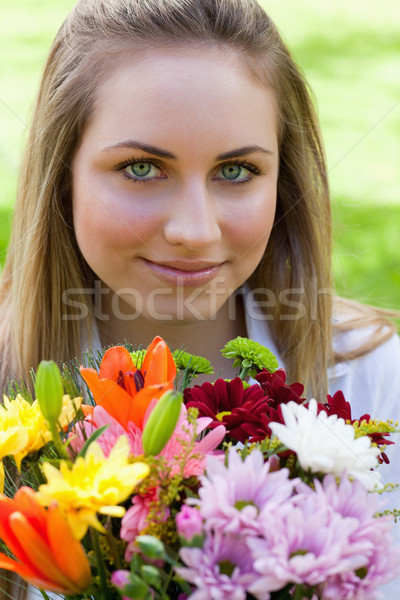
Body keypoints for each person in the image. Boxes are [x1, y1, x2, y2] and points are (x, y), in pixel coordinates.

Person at [0, 0, 399, 598]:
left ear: (282, 179)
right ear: (64, 175)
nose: (195, 230)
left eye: (235, 171)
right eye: (140, 168)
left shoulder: (378, 380)